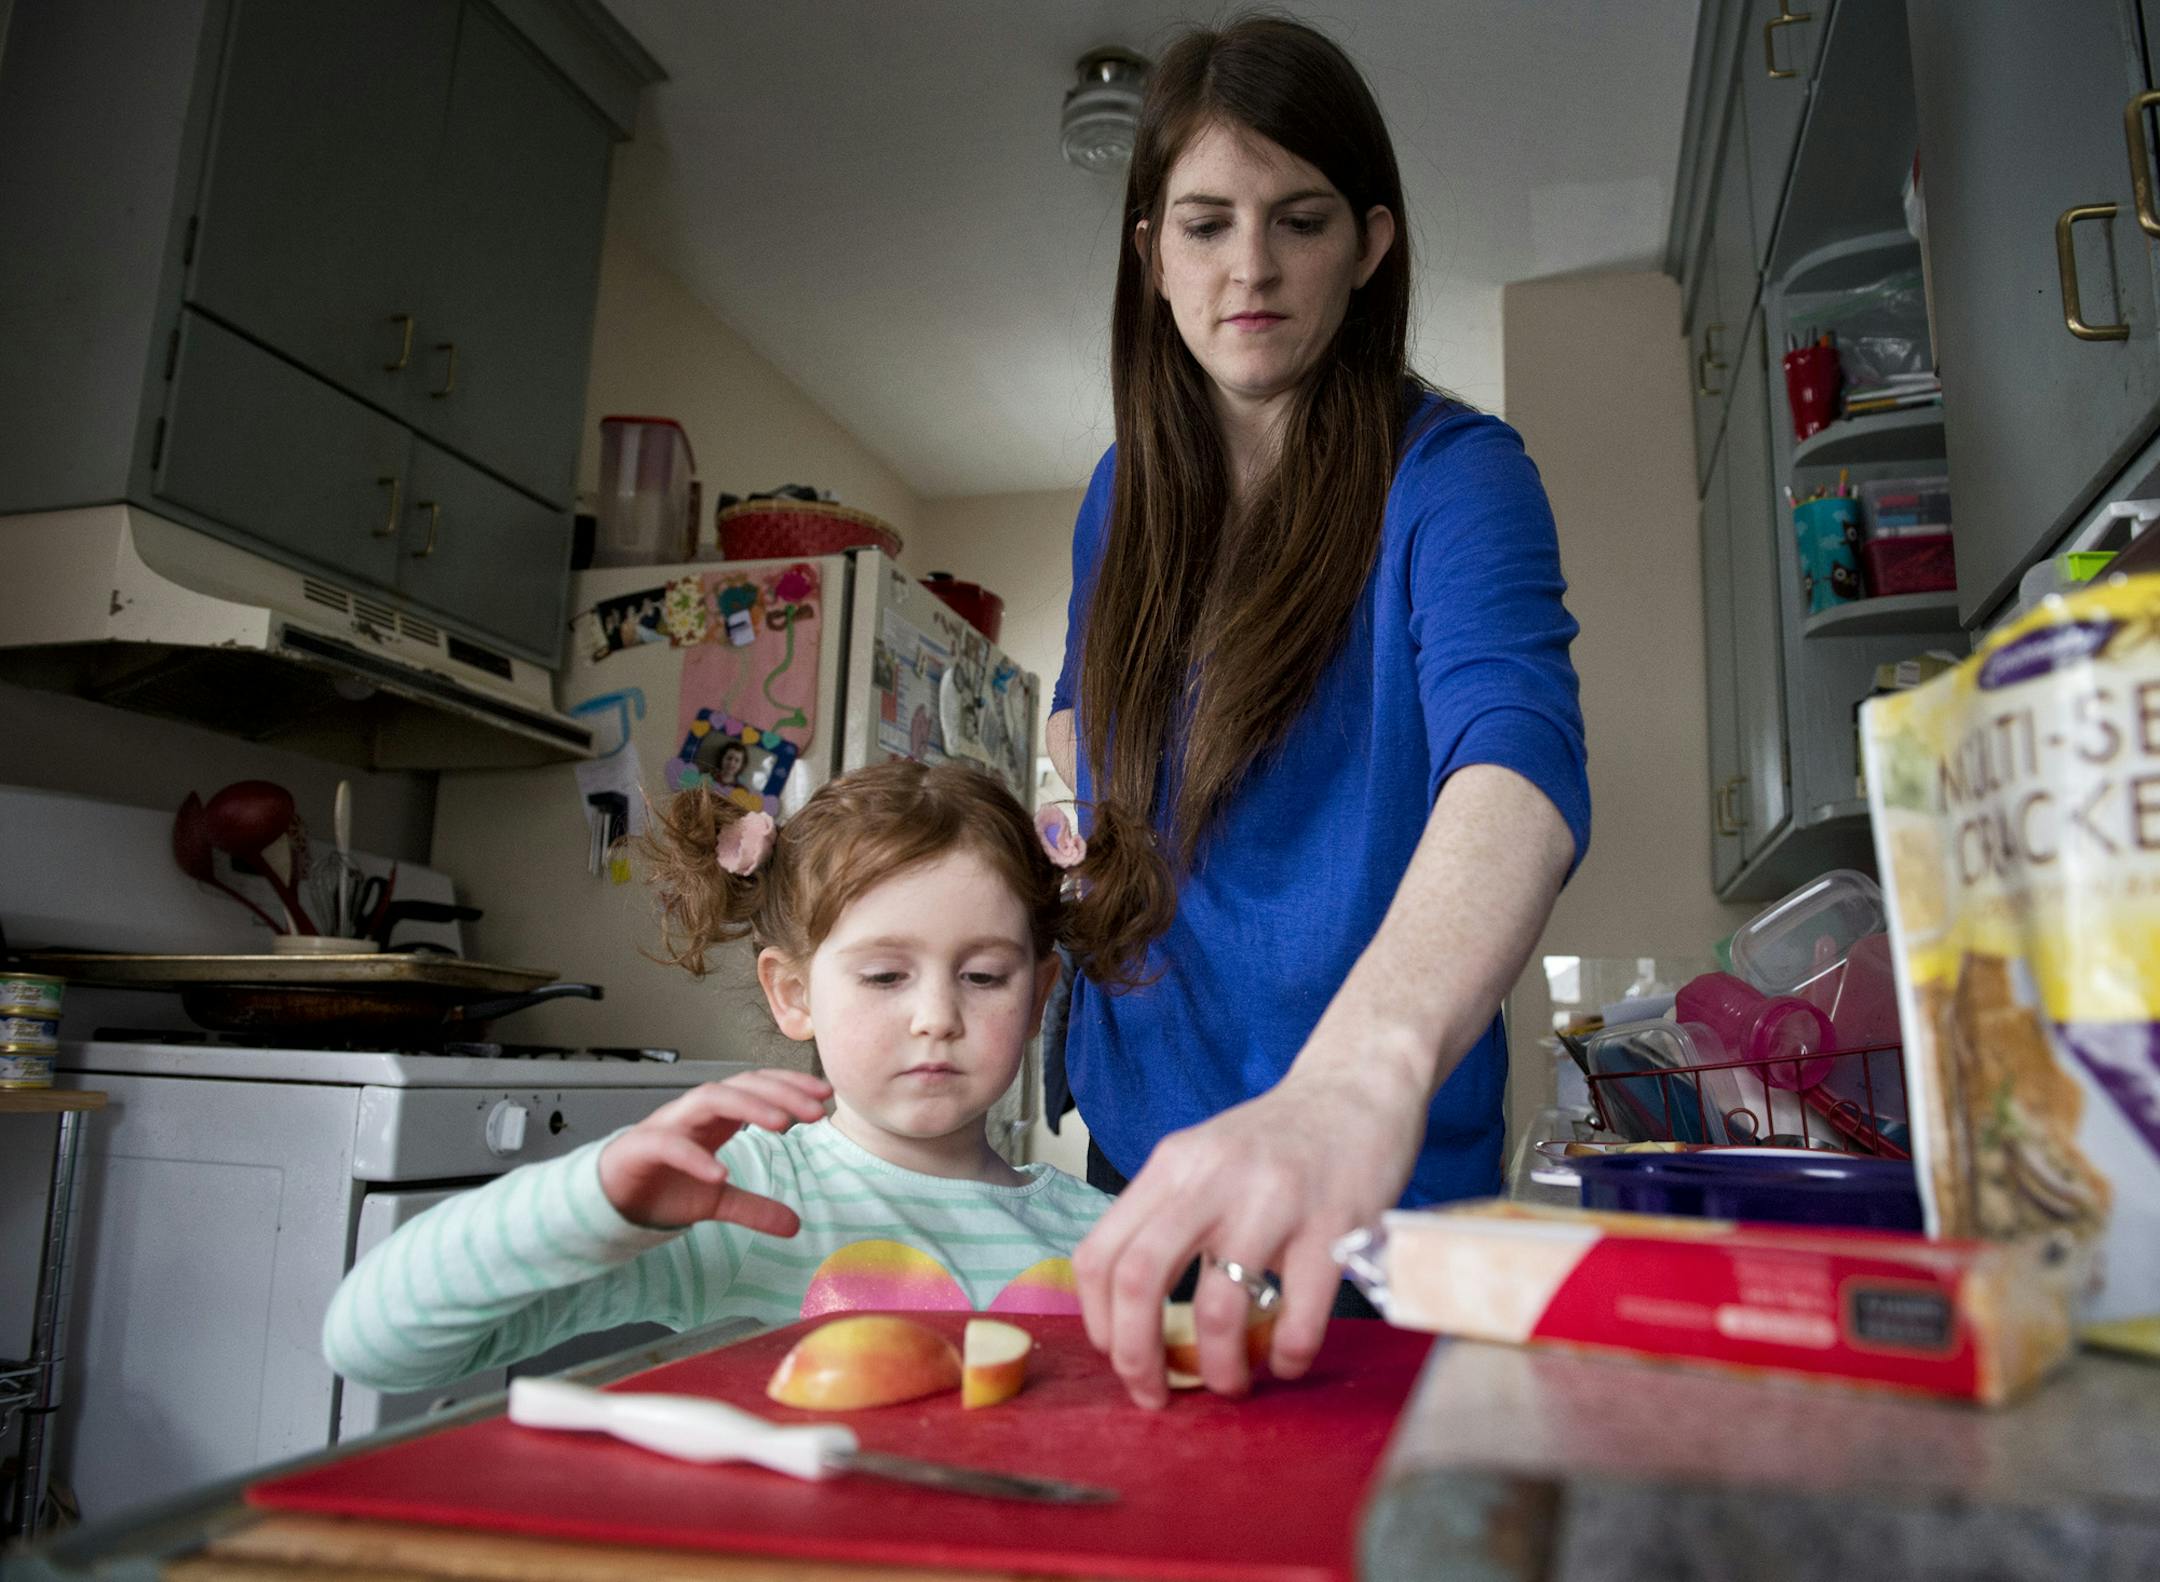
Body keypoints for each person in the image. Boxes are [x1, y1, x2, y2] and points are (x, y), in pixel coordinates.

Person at [1046, 17, 1591, 1408]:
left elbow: (1515, 763)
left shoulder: (1457, 478)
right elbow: (1076, 732)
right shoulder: (1122, 495)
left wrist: (1359, 1080)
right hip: (1142, 1144)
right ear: (1149, 250)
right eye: (1207, 222)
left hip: (1378, 1171)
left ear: (1372, 243)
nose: (1251, 266)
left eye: (1299, 220)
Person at [322, 761, 1115, 1394]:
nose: (936, 1015)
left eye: (982, 977)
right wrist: (592, 1198)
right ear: (793, 994)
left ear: (1041, 995)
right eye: (883, 976)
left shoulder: (1108, 1234)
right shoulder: (746, 1199)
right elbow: (375, 1343)